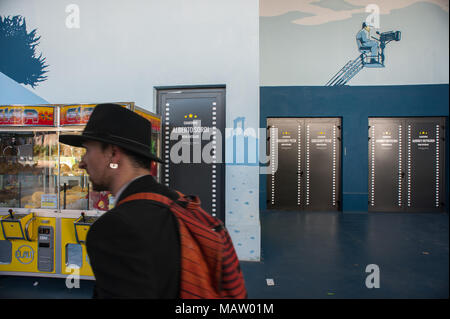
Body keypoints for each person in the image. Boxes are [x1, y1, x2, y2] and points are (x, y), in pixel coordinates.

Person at [59, 103, 180, 298]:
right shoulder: (176, 201)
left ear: (113, 154)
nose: (82, 162)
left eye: (87, 150)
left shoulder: (114, 228)